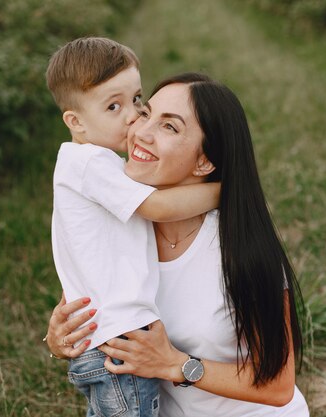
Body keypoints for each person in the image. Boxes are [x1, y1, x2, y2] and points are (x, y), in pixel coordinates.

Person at [46, 72, 309, 417]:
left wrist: (175, 364)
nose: (141, 131)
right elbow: (92, 310)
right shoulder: (117, 226)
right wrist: (60, 340)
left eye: (169, 127)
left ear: (205, 161)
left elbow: (277, 385)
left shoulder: (241, 250)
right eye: (145, 112)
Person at [45, 39, 220, 417]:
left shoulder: (95, 163)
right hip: (120, 337)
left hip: (111, 335)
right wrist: (226, 190)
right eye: (113, 106)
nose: (133, 116)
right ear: (75, 121)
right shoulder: (90, 163)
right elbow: (158, 207)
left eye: (137, 98)